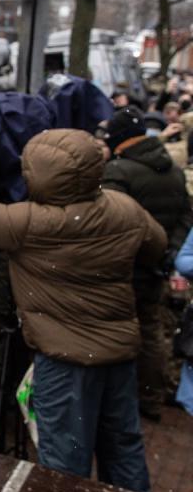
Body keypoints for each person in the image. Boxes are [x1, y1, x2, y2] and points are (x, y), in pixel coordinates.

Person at [0, 125, 166, 492]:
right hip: (118, 353)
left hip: (65, 360)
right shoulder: (125, 208)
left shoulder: (30, 222)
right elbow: (156, 245)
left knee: (65, 463)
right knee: (123, 449)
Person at [101, 107, 193, 421]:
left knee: (120, 334)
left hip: (126, 269)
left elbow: (114, 223)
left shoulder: (118, 171)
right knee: (152, 332)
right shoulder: (173, 170)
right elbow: (184, 217)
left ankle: (118, 401)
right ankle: (151, 397)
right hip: (157, 267)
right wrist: (169, 254)